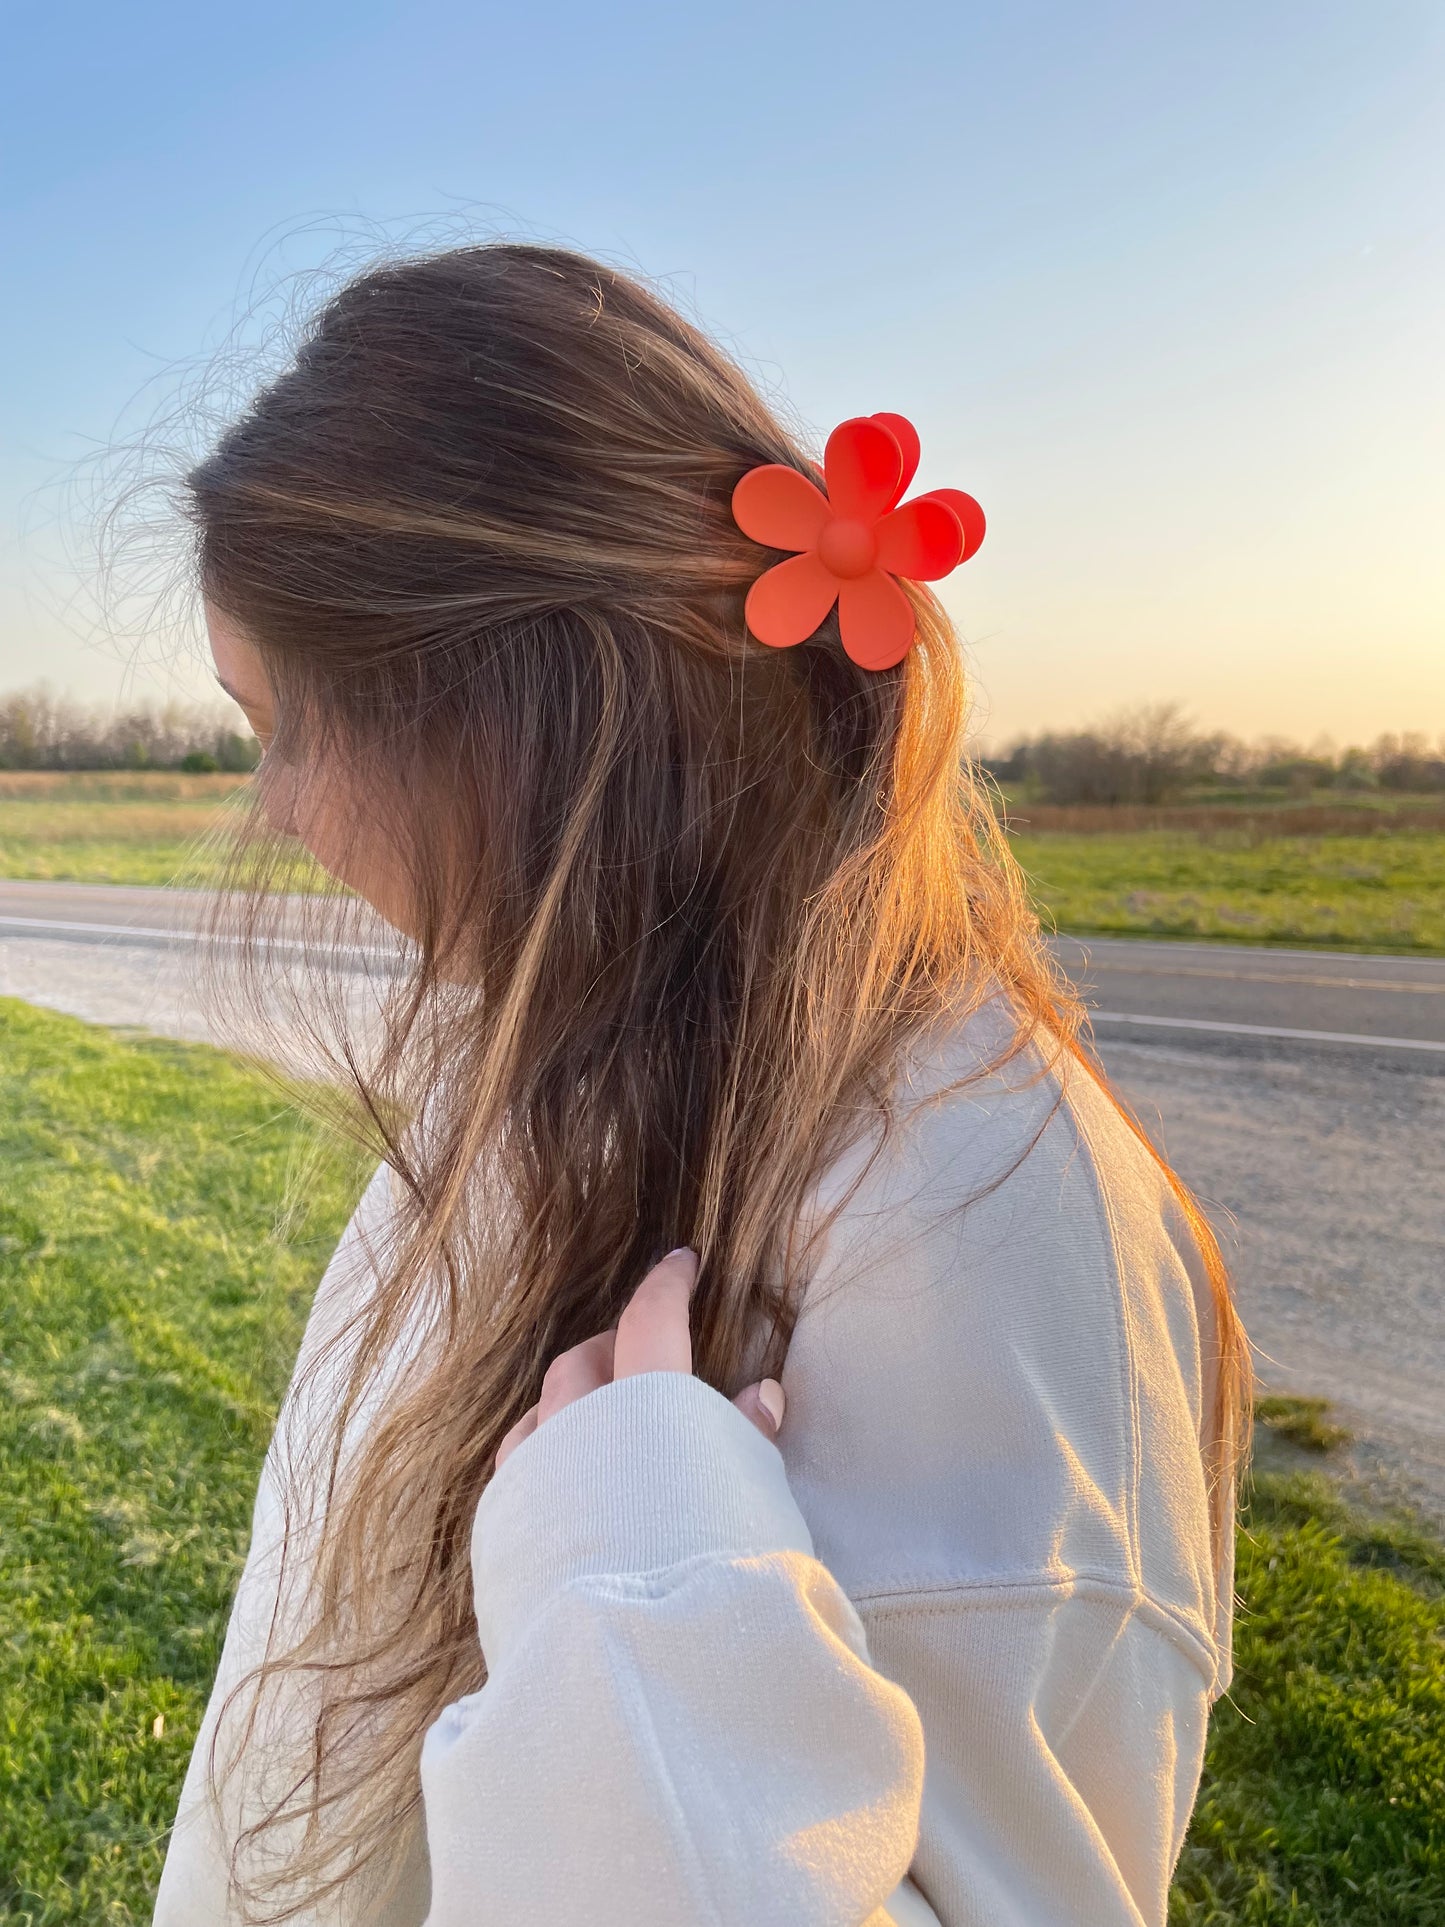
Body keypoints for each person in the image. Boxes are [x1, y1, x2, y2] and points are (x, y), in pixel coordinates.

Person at [152, 241, 1249, 1926]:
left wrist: (640, 1583)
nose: (278, 809)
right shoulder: (551, 1055)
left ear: (510, 714)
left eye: (284, 726)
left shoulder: (979, 1232)